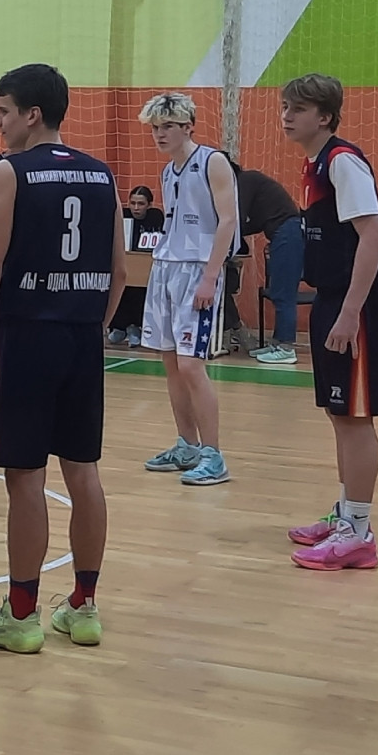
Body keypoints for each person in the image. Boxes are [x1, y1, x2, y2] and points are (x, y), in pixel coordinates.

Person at [0, 64, 125, 655]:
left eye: (2, 111)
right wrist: (90, 326)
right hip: (82, 338)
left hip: (26, 337)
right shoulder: (103, 174)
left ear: (32, 115)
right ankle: (84, 606)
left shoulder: (10, 171)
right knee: (83, 470)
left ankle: (22, 616)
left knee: (25, 477)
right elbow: (119, 272)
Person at [281, 74, 378, 571]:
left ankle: (359, 535)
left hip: (358, 305)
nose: (287, 116)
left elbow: (374, 237)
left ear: (324, 116)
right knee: (339, 413)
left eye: (298, 108)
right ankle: (347, 514)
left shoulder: (342, 161)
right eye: (285, 107)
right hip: (332, 298)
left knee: (355, 417)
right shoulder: (315, 163)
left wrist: (350, 312)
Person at [138, 92, 239, 487]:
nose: (159, 134)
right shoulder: (168, 172)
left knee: (191, 365)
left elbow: (228, 221)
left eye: (167, 127)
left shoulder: (213, 162)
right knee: (171, 363)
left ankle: (214, 455)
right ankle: (187, 446)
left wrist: (211, 277)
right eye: (155, 128)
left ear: (188, 127)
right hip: (165, 266)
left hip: (197, 270)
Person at [233, 163, 303, 365]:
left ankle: (286, 348)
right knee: (279, 291)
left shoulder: (244, 180)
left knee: (284, 293)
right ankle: (277, 343)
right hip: (284, 234)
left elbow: (237, 219)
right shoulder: (252, 182)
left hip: (288, 234)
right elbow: (253, 224)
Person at [107, 186, 163, 346]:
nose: (136, 208)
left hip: (146, 265)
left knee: (139, 288)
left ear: (149, 205)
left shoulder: (156, 218)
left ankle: (135, 326)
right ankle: (119, 326)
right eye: (133, 203)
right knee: (120, 285)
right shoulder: (123, 216)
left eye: (141, 204)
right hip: (126, 261)